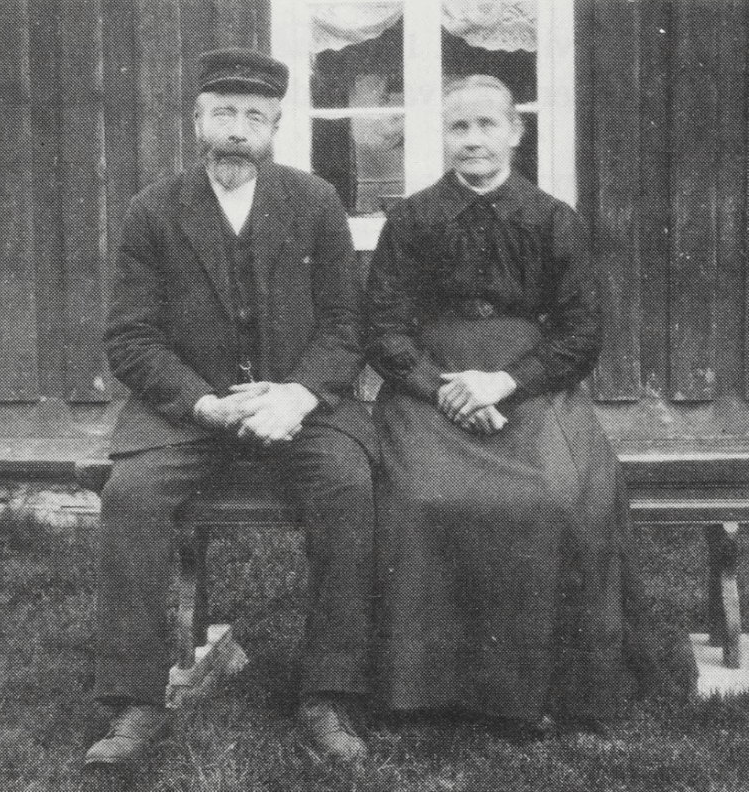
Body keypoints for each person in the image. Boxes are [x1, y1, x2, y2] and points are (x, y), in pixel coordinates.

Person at [365, 75, 695, 730]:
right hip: (427, 387)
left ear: (516, 132)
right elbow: (383, 329)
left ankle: (542, 688)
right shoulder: (410, 220)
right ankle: (425, 690)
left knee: (552, 498)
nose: (474, 140)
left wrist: (503, 384)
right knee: (417, 498)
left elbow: (582, 333)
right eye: (460, 127)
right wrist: (444, 388)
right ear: (445, 136)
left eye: (488, 124)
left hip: (529, 384)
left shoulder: (551, 220)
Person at [85, 48, 377, 767]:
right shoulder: (153, 211)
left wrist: (300, 394)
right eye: (223, 112)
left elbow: (347, 325)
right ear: (197, 121)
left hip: (295, 406)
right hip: (195, 411)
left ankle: (329, 695)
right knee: (132, 493)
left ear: (276, 124)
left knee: (349, 483)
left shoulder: (315, 202)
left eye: (254, 115)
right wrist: (204, 403)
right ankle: (134, 702)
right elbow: (131, 337)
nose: (237, 128)